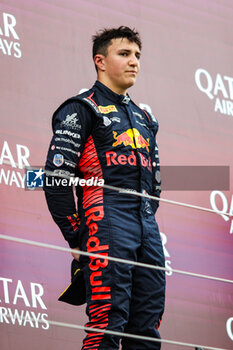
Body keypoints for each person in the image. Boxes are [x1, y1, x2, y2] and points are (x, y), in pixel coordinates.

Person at [44, 26, 165, 350]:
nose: (134, 62)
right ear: (100, 61)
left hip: (146, 229)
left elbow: (154, 184)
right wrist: (76, 236)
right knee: (107, 324)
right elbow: (55, 178)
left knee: (148, 329)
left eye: (138, 55)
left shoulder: (144, 118)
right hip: (105, 221)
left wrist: (145, 220)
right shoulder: (82, 108)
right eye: (124, 54)